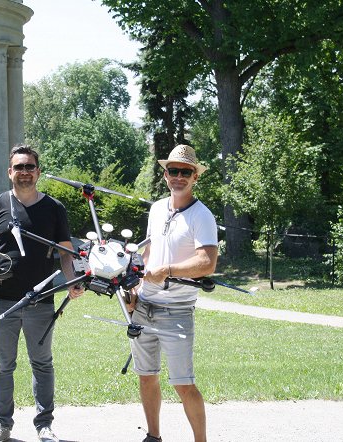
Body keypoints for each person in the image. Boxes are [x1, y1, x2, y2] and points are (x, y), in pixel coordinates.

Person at [0, 144, 84, 442]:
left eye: (29, 167)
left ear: (37, 171)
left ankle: (44, 425)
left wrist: (72, 280)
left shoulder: (54, 208)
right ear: (10, 172)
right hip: (2, 299)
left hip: (41, 300)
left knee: (42, 362)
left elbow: (65, 251)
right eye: (19, 167)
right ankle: (2, 425)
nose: (24, 172)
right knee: (2, 363)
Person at [130, 144, 218, 442]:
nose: (178, 177)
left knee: (183, 384)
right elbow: (150, 252)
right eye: (173, 171)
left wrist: (167, 270)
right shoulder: (156, 209)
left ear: (195, 177)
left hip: (177, 312)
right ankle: (153, 436)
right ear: (165, 174)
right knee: (146, 376)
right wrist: (136, 286)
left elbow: (207, 262)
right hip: (144, 307)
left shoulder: (202, 215)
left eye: (185, 172)